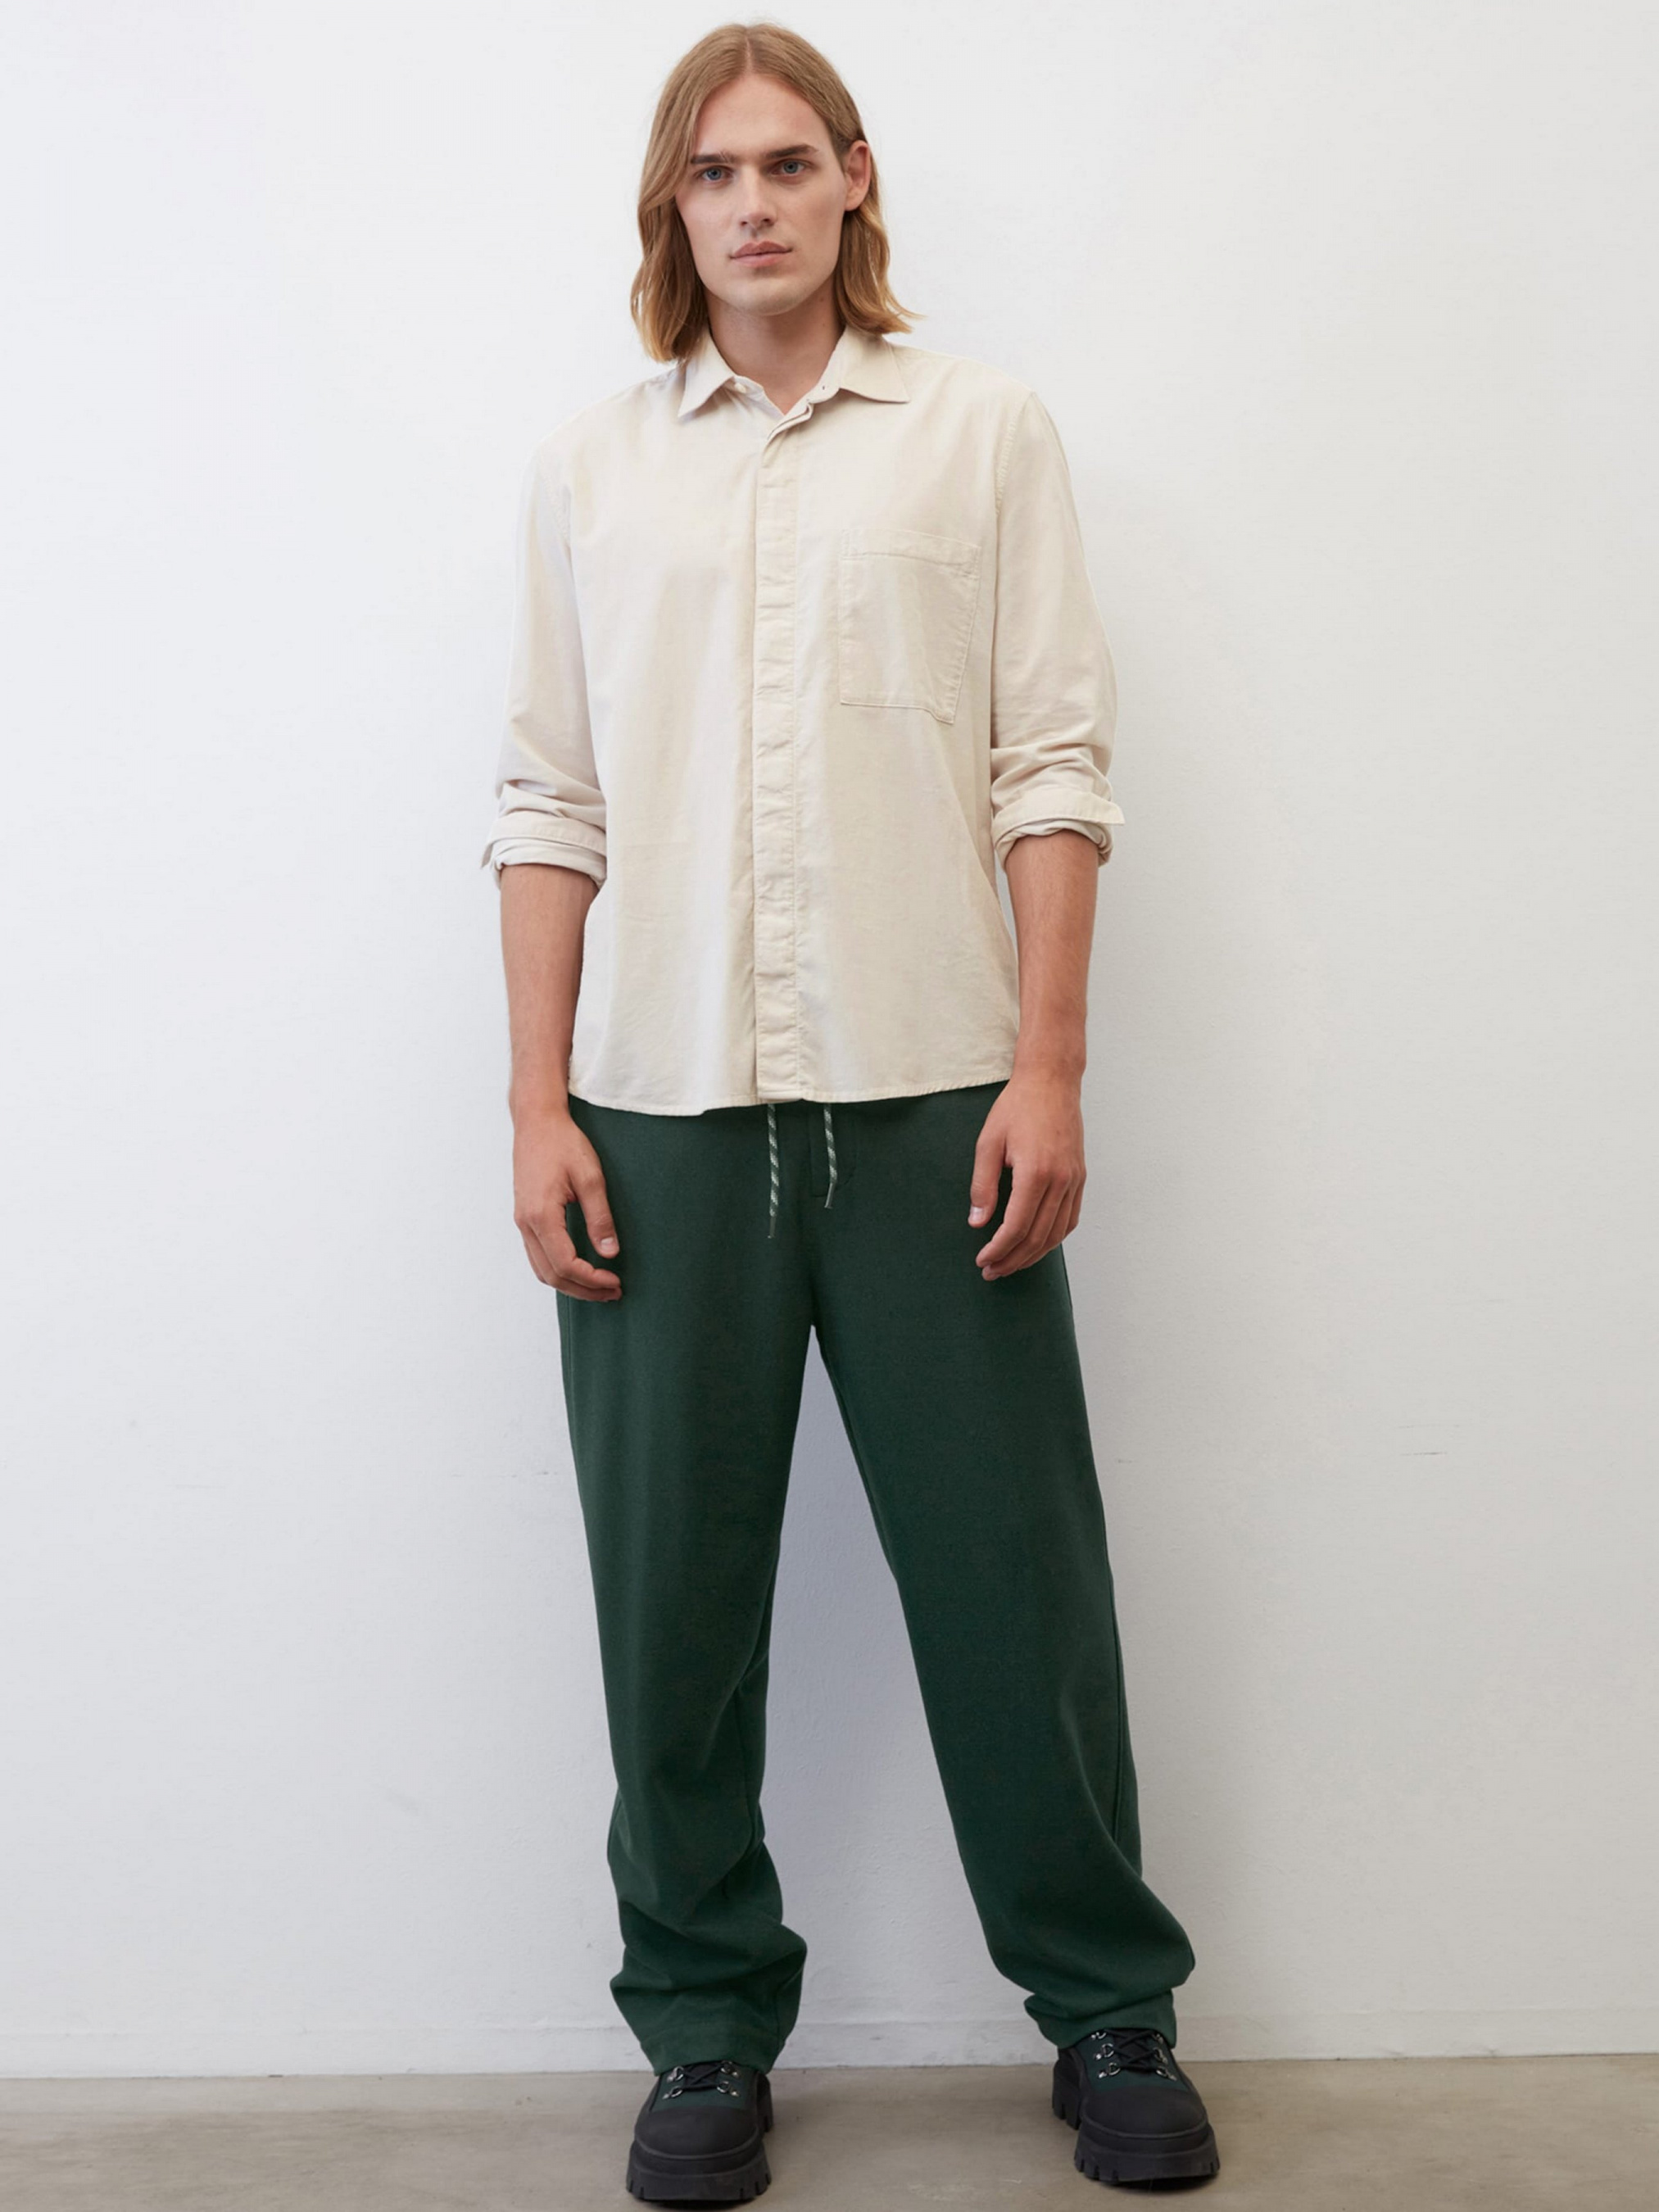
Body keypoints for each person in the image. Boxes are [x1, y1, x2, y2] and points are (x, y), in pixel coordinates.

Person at [482, 20, 1220, 2200]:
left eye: (788, 164)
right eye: (713, 174)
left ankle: (1106, 2002)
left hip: (933, 1105)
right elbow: (545, 801)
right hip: (662, 1114)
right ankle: (703, 2029)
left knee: (1015, 1585)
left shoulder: (979, 437)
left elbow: (1050, 764)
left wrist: (1048, 1065)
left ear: (854, 181)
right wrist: (534, 1106)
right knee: (670, 1608)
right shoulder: (593, 470)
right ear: (672, 206)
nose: (754, 205)